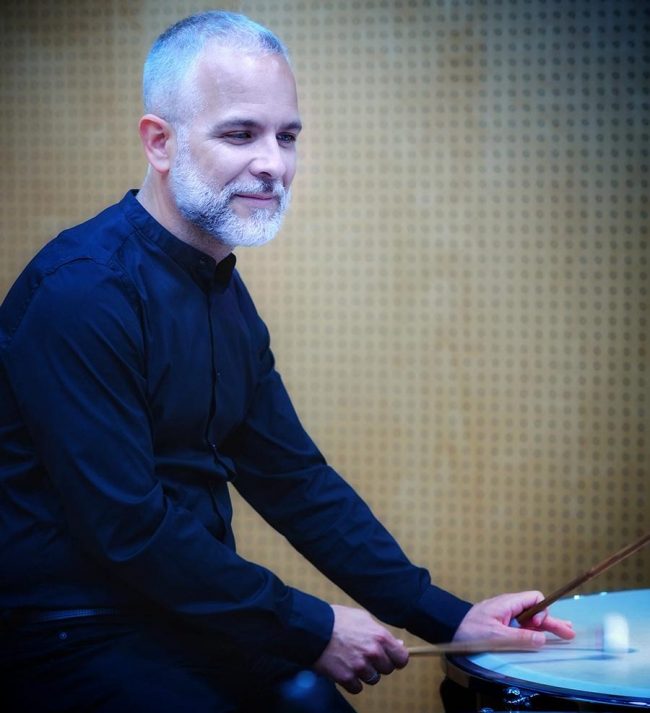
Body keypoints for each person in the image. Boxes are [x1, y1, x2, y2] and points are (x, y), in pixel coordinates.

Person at [0, 10, 574, 713]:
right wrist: (311, 625)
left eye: (287, 135)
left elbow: (294, 479)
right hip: (70, 633)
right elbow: (130, 528)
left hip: (178, 616)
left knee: (315, 702)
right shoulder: (82, 292)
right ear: (160, 142)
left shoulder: (222, 292)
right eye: (241, 133)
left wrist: (449, 618)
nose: (274, 163)